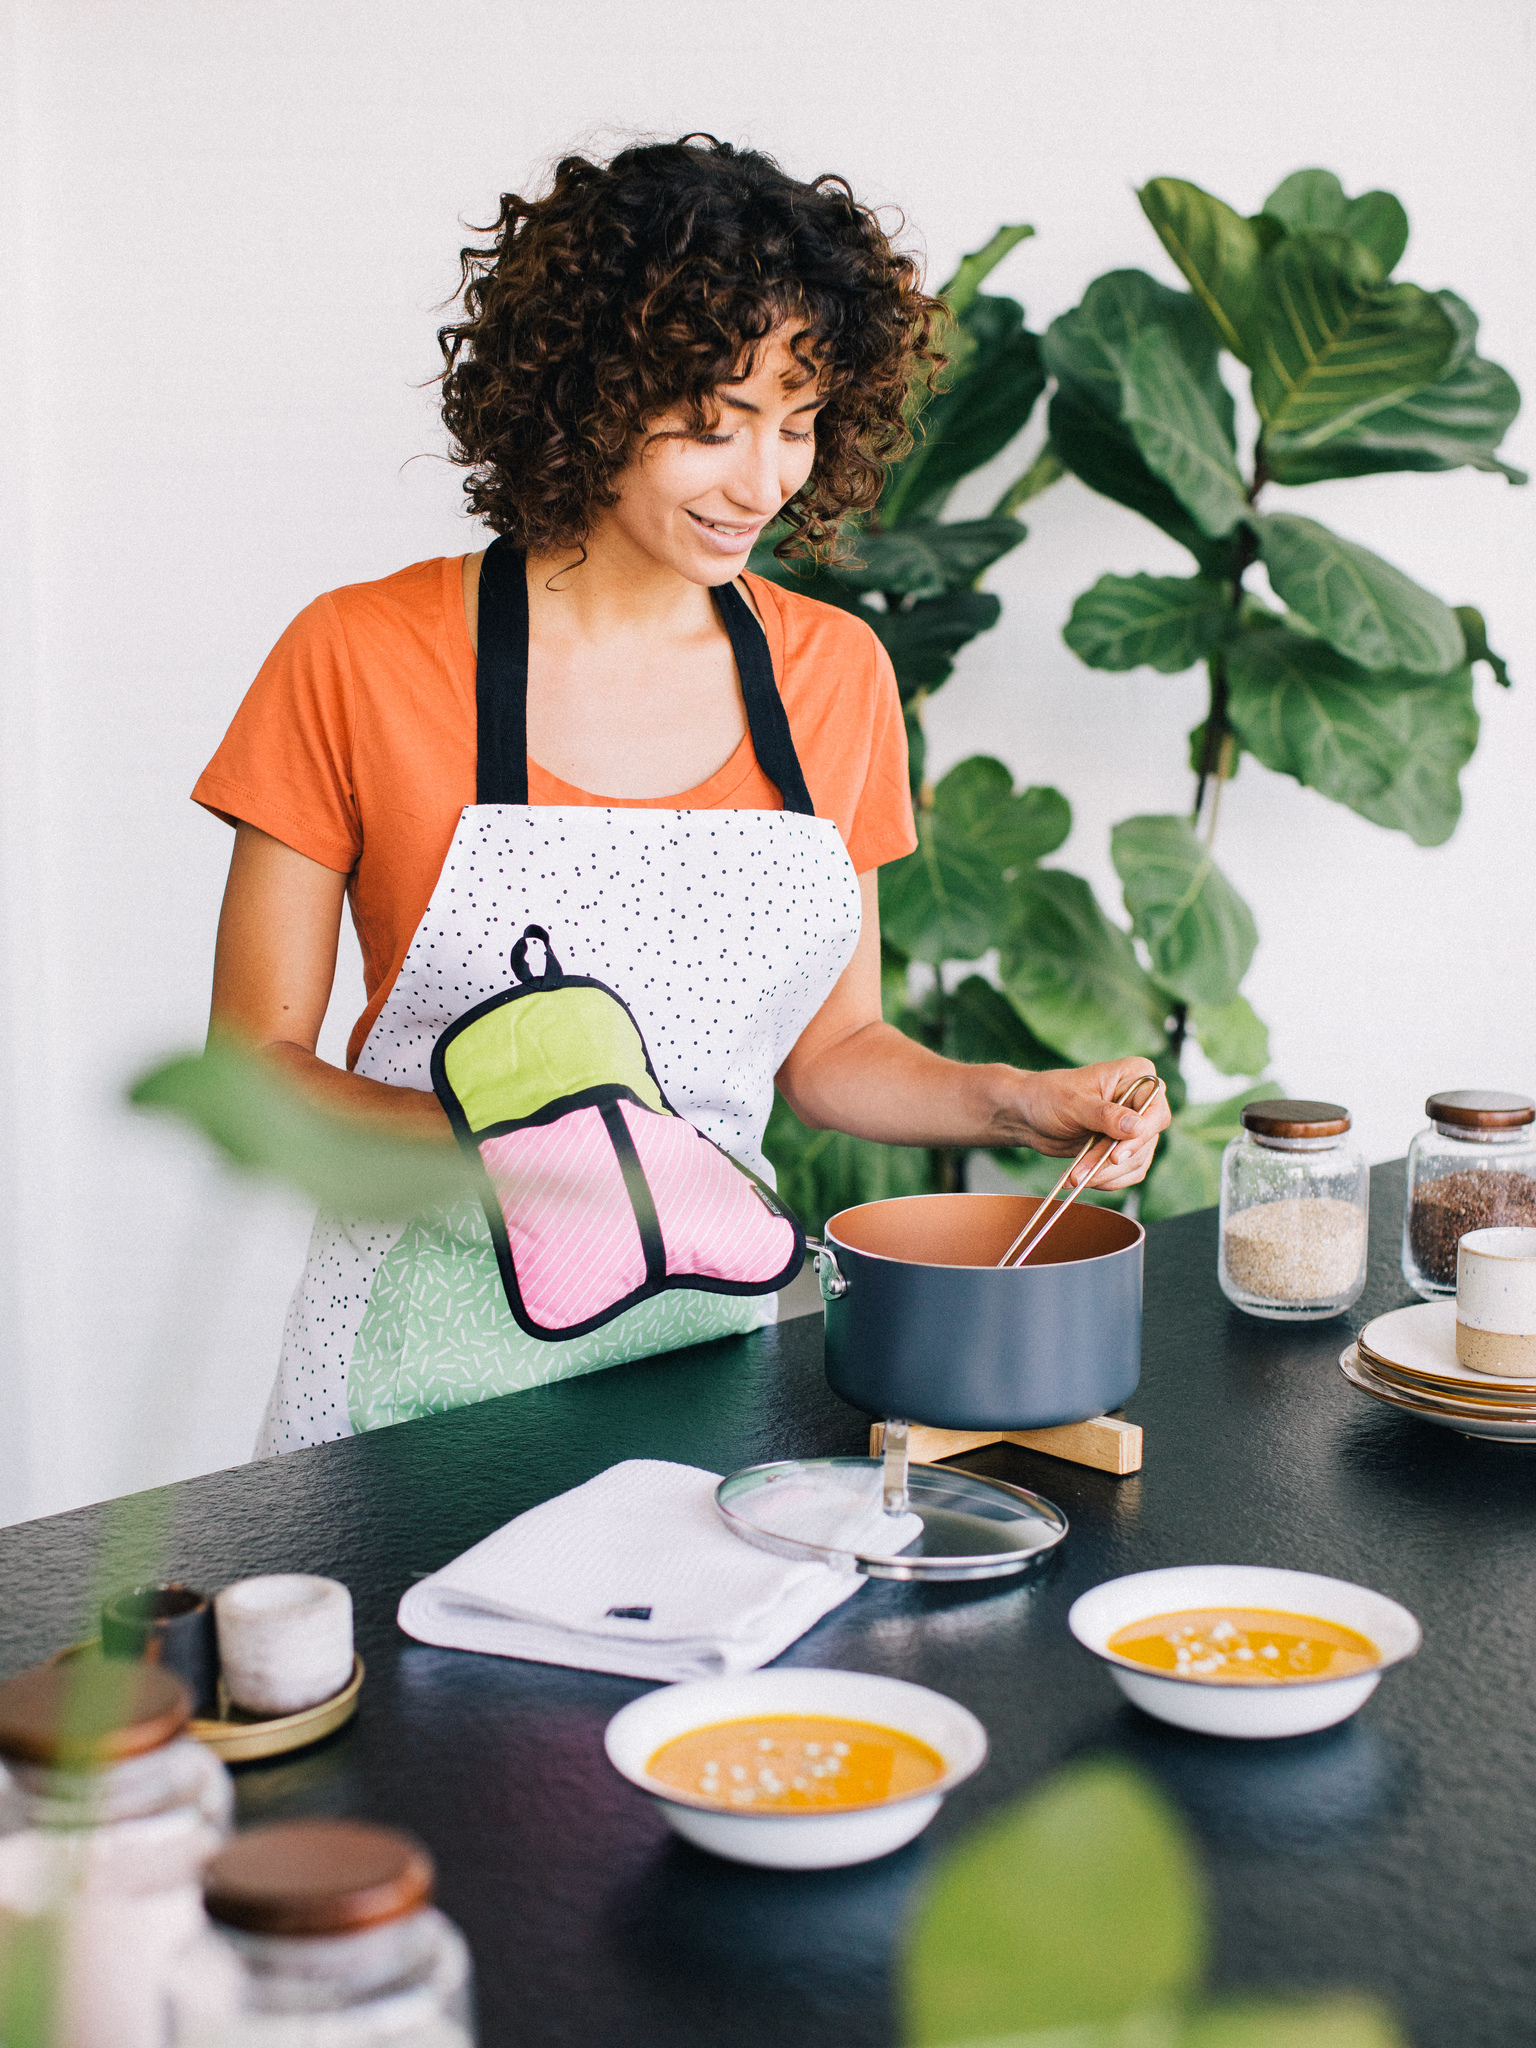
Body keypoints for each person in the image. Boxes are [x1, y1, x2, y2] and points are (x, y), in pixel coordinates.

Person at [198, 136, 1170, 1455]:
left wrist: (1018, 1099)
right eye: (713, 422)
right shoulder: (361, 655)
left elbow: (834, 1056)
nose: (764, 480)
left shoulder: (834, 676)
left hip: (706, 1362)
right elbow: (251, 1073)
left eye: (798, 419)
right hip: (404, 1380)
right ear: (591, 394)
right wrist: (517, 1144)